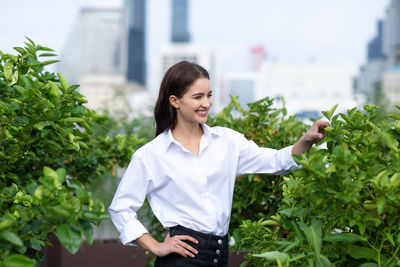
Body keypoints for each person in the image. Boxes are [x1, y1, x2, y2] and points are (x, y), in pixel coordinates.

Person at [109, 61, 329, 266]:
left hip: (219, 255)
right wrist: (156, 246)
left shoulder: (227, 142)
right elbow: (120, 209)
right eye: (197, 97)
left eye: (209, 95)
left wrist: (306, 140)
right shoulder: (151, 155)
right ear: (175, 101)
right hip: (181, 258)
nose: (206, 103)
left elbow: (276, 161)